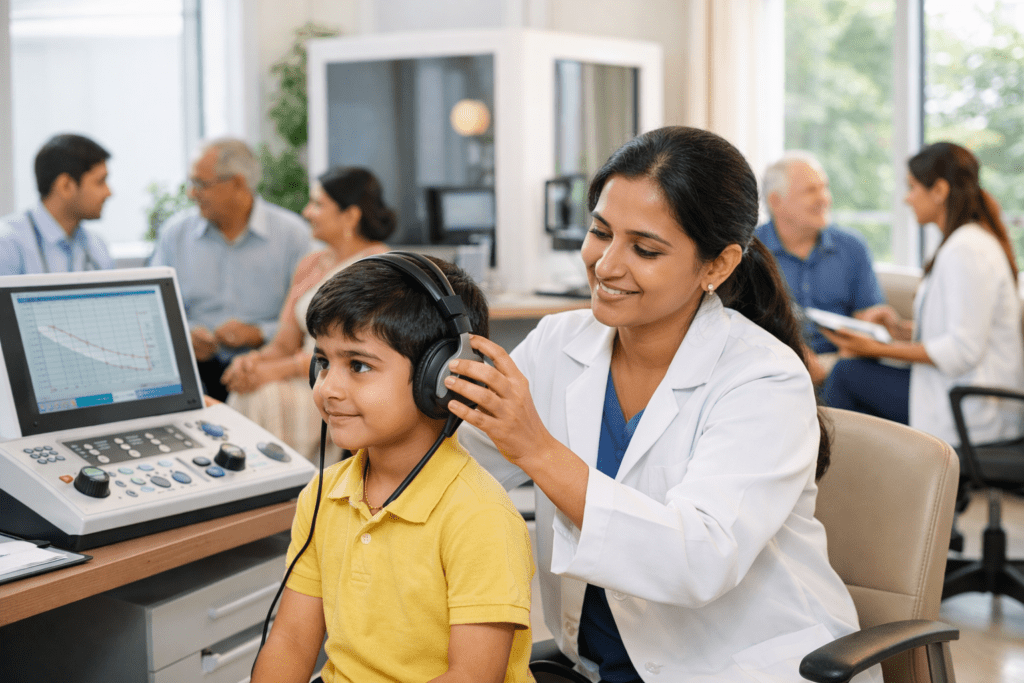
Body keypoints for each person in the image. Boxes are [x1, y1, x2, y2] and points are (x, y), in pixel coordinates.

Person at [446, 127, 878, 682]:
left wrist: (537, 449)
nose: (606, 265)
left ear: (717, 266)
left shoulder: (762, 377)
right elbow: (460, 470)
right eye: (600, 232)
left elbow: (697, 561)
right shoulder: (558, 345)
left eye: (645, 249)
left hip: (737, 665)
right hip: (600, 665)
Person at [250, 255, 534, 683]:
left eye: (359, 366)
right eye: (324, 362)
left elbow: (473, 676)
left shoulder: (479, 516)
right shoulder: (324, 493)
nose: (328, 387)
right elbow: (291, 639)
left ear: (440, 377)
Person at [822, 142, 1024, 448]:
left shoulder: (966, 249)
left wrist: (874, 348)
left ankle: (857, 487)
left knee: (845, 374)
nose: (907, 198)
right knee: (850, 374)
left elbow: (961, 351)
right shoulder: (965, 243)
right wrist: (899, 331)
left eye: (913, 187)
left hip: (972, 412)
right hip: (963, 396)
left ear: (939, 191)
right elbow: (964, 332)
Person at [221, 167, 393, 461]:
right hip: (295, 369)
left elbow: (352, 354)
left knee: (265, 394)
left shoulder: (378, 267)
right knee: (246, 385)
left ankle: (287, 491)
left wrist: (275, 371)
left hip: (336, 379)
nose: (306, 212)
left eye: (318, 204)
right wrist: (253, 361)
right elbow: (285, 341)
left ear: (350, 216)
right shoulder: (311, 264)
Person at [149, 138, 312, 401]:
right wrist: (185, 333)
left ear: (237, 183)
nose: (191, 193)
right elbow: (153, 308)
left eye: (201, 184)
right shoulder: (175, 234)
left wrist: (259, 333)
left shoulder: (293, 236)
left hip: (263, 365)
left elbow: (309, 318)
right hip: (189, 367)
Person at [756, 152, 890, 383]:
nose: (824, 198)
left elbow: (866, 317)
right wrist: (795, 355)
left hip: (844, 363)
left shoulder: (852, 247)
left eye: (824, 187)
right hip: (774, 361)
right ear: (776, 201)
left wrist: (871, 325)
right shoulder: (750, 252)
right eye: (810, 190)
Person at [0, 133, 115, 275]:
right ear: (65, 186)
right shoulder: (7, 245)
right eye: (100, 182)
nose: (108, 192)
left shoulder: (97, 247)